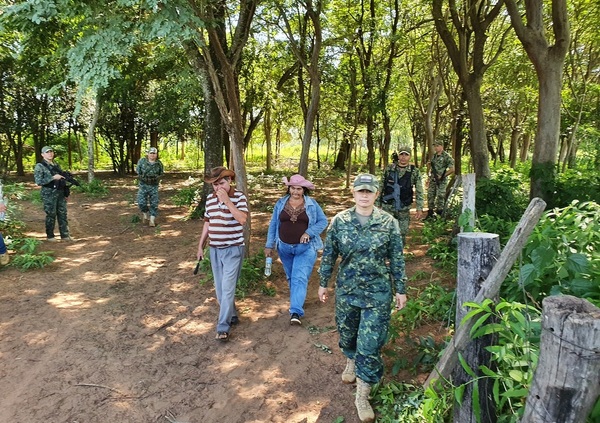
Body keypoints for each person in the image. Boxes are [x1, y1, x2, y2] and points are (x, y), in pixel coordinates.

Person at [318, 173, 407, 423]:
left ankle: (362, 394)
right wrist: (323, 283)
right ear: (353, 193)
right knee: (348, 334)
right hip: (347, 291)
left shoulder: (388, 223)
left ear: (377, 194)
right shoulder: (340, 221)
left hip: (377, 294)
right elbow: (329, 255)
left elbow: (397, 259)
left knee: (370, 345)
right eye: (360, 191)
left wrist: (401, 289)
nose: (365, 195)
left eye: (369, 191)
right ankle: (350, 359)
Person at [264, 174, 328, 326]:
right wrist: (269, 244)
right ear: (289, 188)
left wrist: (309, 232)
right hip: (284, 247)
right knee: (292, 277)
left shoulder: (311, 204)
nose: (296, 192)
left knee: (299, 277)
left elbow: (323, 221)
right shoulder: (280, 203)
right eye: (293, 188)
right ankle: (297, 301)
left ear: (304, 190)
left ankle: (295, 312)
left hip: (305, 248)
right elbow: (274, 224)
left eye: (299, 189)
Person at [197, 166, 248, 342]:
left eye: (221, 183)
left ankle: (223, 327)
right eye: (215, 184)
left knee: (227, 289)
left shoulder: (239, 197)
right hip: (215, 249)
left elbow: (242, 219)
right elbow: (207, 223)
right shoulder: (210, 199)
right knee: (220, 290)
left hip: (233, 248)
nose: (218, 187)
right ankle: (232, 315)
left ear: (229, 181)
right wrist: (200, 245)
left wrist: (227, 201)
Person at [378, 147, 424, 245]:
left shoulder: (414, 171)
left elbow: (419, 190)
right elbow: (381, 186)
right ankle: (385, 254)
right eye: (401, 154)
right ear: (398, 155)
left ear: (410, 156)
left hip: (403, 207)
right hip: (388, 207)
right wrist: (377, 203)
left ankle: (398, 255)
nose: (403, 157)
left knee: (402, 232)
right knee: (386, 231)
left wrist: (419, 208)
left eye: (406, 155)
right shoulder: (389, 169)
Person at [34, 146, 74, 242]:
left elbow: (61, 179)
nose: (50, 154)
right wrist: (52, 178)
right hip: (48, 194)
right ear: (42, 154)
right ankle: (50, 236)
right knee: (51, 214)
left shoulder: (56, 165)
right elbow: (38, 181)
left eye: (51, 152)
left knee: (62, 214)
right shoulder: (40, 166)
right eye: (47, 152)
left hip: (60, 192)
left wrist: (66, 193)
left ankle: (65, 235)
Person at [136, 147, 164, 227]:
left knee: (154, 203)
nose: (152, 155)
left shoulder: (159, 164)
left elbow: (161, 173)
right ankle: (145, 215)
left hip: (154, 186)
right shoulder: (142, 161)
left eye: (154, 153)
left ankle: (152, 220)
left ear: (156, 154)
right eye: (151, 153)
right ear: (148, 154)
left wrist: (156, 179)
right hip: (143, 185)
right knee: (141, 202)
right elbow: (138, 171)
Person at [427, 140, 455, 219]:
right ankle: (430, 214)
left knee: (440, 196)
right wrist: (429, 175)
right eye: (435, 146)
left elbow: (452, 169)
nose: (436, 148)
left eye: (437, 146)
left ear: (442, 146)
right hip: (433, 179)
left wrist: (443, 176)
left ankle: (440, 214)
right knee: (430, 195)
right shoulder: (434, 156)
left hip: (441, 181)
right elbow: (431, 167)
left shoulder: (447, 156)